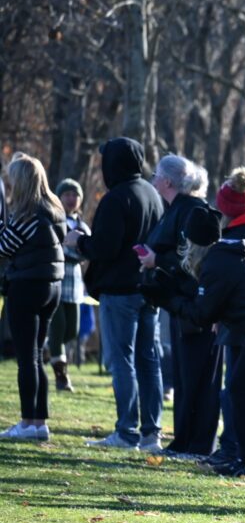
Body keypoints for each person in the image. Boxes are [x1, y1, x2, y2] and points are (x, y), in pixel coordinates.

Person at [145, 206, 245, 479]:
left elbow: (203, 315)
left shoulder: (216, 264)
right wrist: (175, 291)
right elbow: (209, 302)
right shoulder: (226, 257)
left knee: (243, 393)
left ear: (193, 242)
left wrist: (168, 299)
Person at [66, 137, 164, 451]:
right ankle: (151, 433)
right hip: (149, 289)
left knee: (122, 361)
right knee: (149, 361)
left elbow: (105, 248)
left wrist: (79, 242)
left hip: (120, 291)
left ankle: (126, 432)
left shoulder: (116, 198)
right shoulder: (153, 193)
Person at [141, 155, 219, 459]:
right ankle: (183, 440)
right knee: (184, 375)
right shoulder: (177, 209)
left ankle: (199, 444)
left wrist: (156, 260)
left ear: (168, 181)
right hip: (179, 303)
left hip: (194, 305)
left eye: (156, 174)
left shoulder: (191, 211)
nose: (153, 178)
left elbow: (192, 258)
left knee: (197, 376)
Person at [200, 167, 245, 472]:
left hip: (240, 319)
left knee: (236, 389)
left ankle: (232, 447)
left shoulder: (235, 236)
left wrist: (217, 313)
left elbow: (226, 283)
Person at [0, 155, 65, 441]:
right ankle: (39, 422)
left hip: (27, 287)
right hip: (52, 287)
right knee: (37, 356)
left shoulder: (28, 216)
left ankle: (27, 422)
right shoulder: (53, 210)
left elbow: (3, 247)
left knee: (27, 358)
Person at [48, 178, 90, 392]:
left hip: (74, 284)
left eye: (75, 195)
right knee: (58, 327)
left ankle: (49, 345)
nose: (71, 199)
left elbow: (89, 250)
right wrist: (75, 252)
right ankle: (61, 377)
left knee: (72, 330)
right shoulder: (54, 220)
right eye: (67, 195)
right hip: (56, 280)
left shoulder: (82, 225)